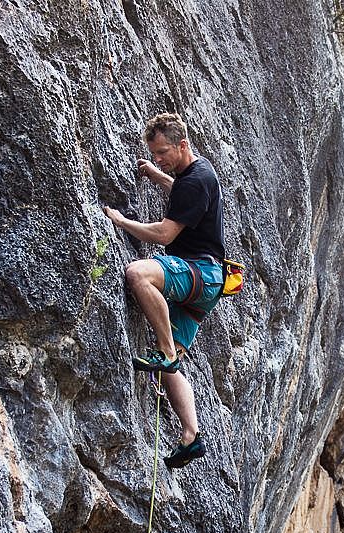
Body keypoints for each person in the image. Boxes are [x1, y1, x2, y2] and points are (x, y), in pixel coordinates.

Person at [102, 113, 224, 469]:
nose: (158, 159)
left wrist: (123, 222)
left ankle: (167, 350)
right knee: (170, 369)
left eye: (163, 153)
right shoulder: (197, 174)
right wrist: (158, 176)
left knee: (138, 274)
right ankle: (191, 436)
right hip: (207, 285)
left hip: (198, 271)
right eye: (154, 154)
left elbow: (164, 235)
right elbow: (185, 194)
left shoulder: (196, 178)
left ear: (182, 145)